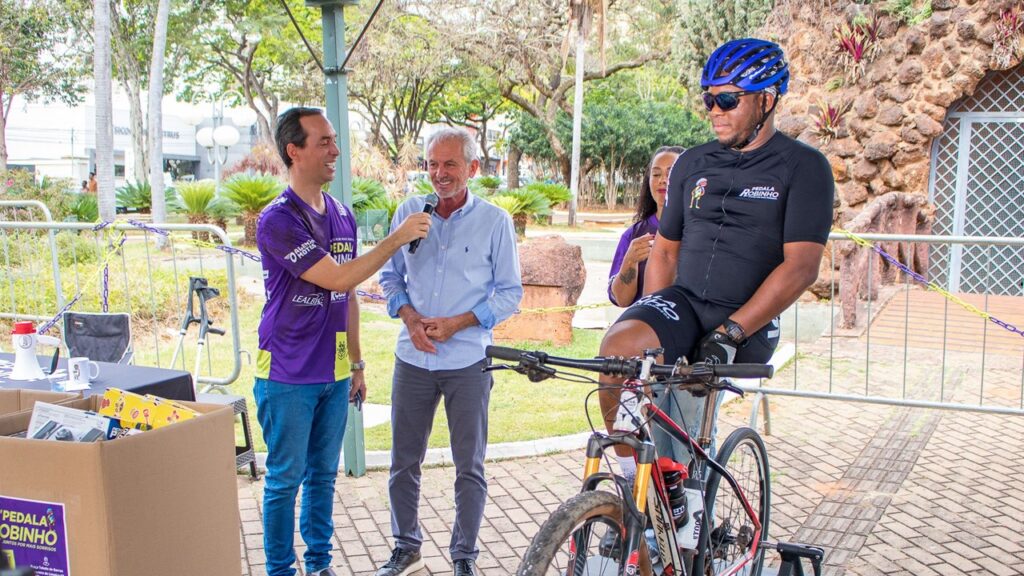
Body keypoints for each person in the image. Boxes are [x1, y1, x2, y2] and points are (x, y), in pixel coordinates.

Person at [598, 38, 835, 469]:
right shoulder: (692, 163)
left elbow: (801, 267)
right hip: (686, 303)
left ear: (767, 99)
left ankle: (687, 513)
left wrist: (729, 333)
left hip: (747, 318)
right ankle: (633, 474)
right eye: (709, 99)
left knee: (686, 421)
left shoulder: (804, 167)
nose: (714, 111)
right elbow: (667, 252)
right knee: (617, 349)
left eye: (727, 99)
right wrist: (653, 310)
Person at [254, 106, 431, 576]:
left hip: (332, 376)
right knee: (284, 479)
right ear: (294, 151)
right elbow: (335, 278)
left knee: (322, 477)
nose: (335, 150)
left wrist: (356, 364)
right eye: (323, 142)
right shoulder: (277, 220)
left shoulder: (340, 215)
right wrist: (395, 240)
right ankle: (280, 570)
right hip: (286, 372)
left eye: (335, 140)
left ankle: (319, 566)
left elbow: (347, 294)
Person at [376, 127, 523, 576]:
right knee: (404, 463)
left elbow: (509, 294)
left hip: (467, 363)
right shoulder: (407, 212)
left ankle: (464, 556)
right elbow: (389, 277)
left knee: (469, 467)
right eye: (432, 164)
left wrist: (459, 322)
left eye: (450, 165)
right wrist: (409, 317)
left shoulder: (495, 222)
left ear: (473, 169)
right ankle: (406, 546)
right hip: (413, 359)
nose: (439, 174)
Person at [607, 146, 685, 307]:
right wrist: (631, 260)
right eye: (656, 174)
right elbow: (621, 300)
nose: (662, 180)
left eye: (671, 173)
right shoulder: (634, 235)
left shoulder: (702, 231)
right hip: (644, 326)